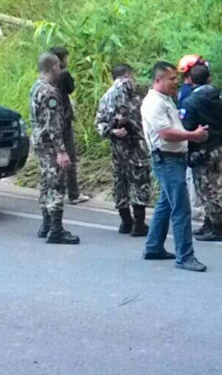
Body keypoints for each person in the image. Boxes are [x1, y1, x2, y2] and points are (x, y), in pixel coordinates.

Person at [141, 61, 209, 272]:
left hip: (174, 158)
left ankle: (153, 246)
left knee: (166, 203)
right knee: (181, 208)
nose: (175, 83)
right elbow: (165, 133)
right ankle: (185, 256)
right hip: (167, 158)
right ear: (158, 79)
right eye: (171, 79)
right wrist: (192, 136)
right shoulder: (154, 103)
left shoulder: (165, 100)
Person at [94, 63, 151, 236]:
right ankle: (138, 223)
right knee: (139, 181)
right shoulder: (132, 94)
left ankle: (126, 221)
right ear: (127, 75)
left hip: (117, 148)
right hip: (136, 146)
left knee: (120, 182)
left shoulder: (106, 97)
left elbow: (99, 125)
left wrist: (112, 131)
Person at [30, 52, 80, 244]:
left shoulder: (36, 87)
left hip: (40, 143)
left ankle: (46, 225)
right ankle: (56, 229)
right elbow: (52, 123)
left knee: (46, 182)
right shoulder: (50, 92)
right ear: (53, 67)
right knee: (57, 185)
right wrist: (61, 151)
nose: (61, 69)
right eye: (59, 66)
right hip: (51, 145)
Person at [181, 63, 222, 242]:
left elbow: (187, 126)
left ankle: (216, 227)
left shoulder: (191, 101)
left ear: (190, 80)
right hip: (217, 148)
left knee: (206, 189)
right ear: (209, 78)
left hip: (201, 150)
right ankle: (209, 223)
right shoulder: (219, 97)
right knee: (210, 185)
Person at [49, 46, 90, 204]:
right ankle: (73, 193)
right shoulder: (64, 74)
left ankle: (56, 190)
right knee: (70, 156)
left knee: (54, 158)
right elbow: (71, 89)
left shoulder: (46, 77)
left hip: (52, 122)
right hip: (64, 121)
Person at [177, 54, 207, 221]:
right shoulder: (192, 94)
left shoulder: (183, 92)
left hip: (187, 139)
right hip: (194, 139)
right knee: (193, 175)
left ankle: (195, 206)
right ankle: (196, 208)